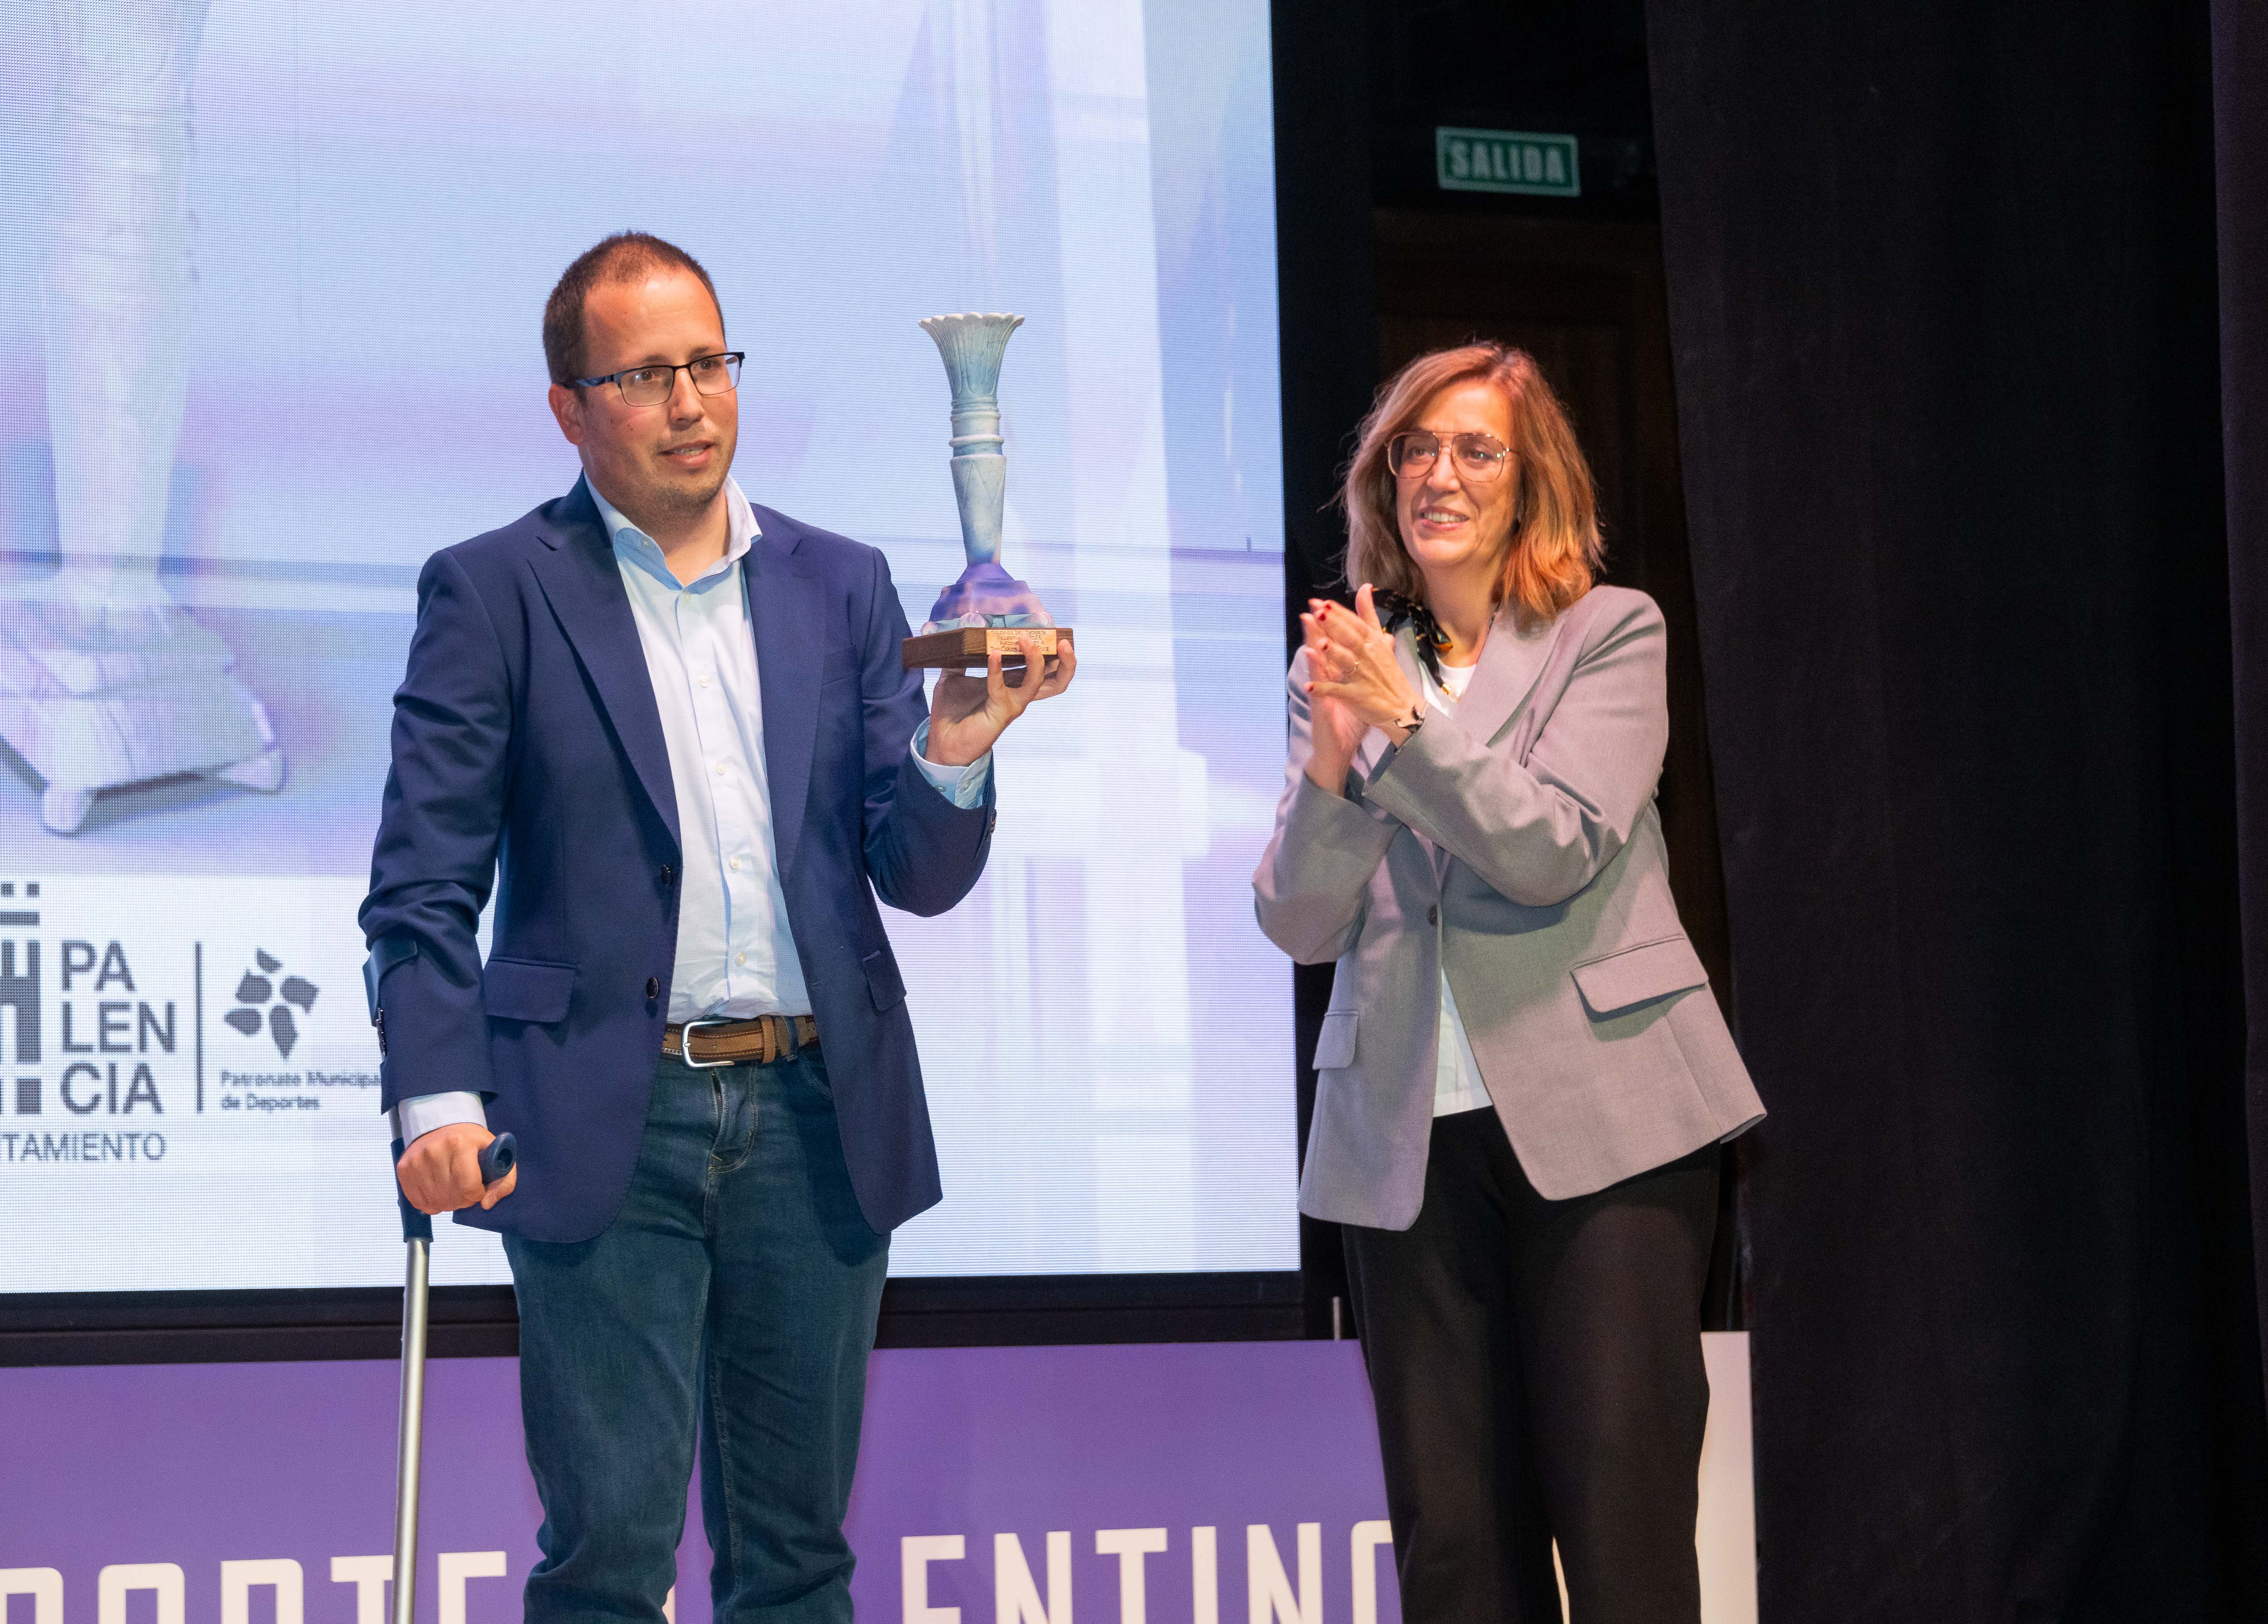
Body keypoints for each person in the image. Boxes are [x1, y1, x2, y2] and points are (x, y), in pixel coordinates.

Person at [360, 230, 1073, 1624]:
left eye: (709, 363)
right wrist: (437, 1095)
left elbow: (913, 872)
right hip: (602, 1119)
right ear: (570, 408)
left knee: (797, 1559)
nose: (690, 401)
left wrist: (955, 749)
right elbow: (422, 883)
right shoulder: (494, 587)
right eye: (645, 375)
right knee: (608, 1560)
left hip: (817, 1112)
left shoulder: (839, 581)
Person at [1252, 342, 1763, 1623]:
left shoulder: (1609, 631)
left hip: (1608, 1130)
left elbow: (1549, 850)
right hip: (1405, 1144)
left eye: (1476, 449)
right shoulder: (1343, 664)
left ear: (1532, 482)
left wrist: (1405, 726)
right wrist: (1332, 763)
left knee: (1624, 1533)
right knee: (1455, 1551)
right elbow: (1301, 922)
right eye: (1414, 449)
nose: (1440, 473)